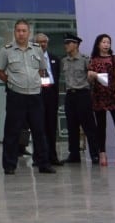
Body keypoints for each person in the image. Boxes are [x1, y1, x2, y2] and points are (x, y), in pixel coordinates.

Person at [0, 19, 55, 174]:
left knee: (39, 131)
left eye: (24, 31)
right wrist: (12, 82)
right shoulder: (6, 51)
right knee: (12, 131)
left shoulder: (37, 49)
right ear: (14, 32)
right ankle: (9, 165)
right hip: (16, 95)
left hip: (35, 95)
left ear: (29, 33)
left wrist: (32, 81)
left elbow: (41, 70)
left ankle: (43, 163)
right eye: (18, 31)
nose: (21, 34)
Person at [88, 33, 115, 166]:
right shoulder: (93, 59)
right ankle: (102, 154)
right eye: (104, 42)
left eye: (108, 42)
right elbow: (89, 79)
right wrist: (92, 74)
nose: (106, 45)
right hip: (98, 96)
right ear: (98, 44)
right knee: (101, 126)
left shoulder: (114, 58)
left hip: (113, 94)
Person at [60, 34, 100, 164]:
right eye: (65, 43)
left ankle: (94, 154)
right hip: (70, 95)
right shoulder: (64, 61)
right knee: (72, 126)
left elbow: (92, 79)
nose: (66, 46)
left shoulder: (85, 60)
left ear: (76, 45)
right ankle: (74, 154)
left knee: (89, 126)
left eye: (68, 43)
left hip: (83, 94)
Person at [35, 32, 63, 166]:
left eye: (44, 42)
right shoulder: (32, 58)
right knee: (38, 126)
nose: (42, 44)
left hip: (51, 93)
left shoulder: (54, 58)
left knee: (51, 126)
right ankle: (39, 157)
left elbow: (56, 76)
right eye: (39, 42)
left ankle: (53, 156)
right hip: (37, 92)